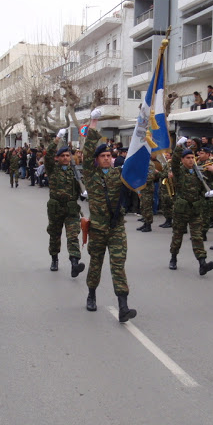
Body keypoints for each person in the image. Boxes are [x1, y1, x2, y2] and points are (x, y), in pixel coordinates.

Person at [82, 110, 136, 322]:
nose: (106, 158)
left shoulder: (117, 174)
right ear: (96, 160)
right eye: (103, 156)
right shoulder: (91, 174)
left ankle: (123, 306)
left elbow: (141, 175)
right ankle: (91, 294)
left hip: (116, 228)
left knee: (118, 264)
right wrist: (94, 123)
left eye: (108, 156)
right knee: (96, 263)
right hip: (97, 228)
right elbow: (87, 151)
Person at [168, 138, 213, 275]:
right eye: (188, 158)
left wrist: (209, 186)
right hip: (181, 210)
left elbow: (206, 183)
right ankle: (173, 258)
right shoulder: (179, 171)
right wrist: (178, 146)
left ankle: (202, 263)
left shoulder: (198, 172)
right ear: (183, 160)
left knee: (197, 237)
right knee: (177, 235)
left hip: (195, 209)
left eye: (192, 157)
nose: (191, 160)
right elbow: (175, 162)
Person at [45, 131, 85, 276]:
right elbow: (48, 155)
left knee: (73, 235)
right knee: (55, 235)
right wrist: (57, 139)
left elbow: (81, 185)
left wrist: (84, 191)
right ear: (58, 158)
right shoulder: (52, 169)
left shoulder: (75, 171)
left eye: (68, 155)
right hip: (55, 209)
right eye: (62, 156)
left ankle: (74, 263)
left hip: (71, 209)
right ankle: (54, 259)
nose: (66, 158)